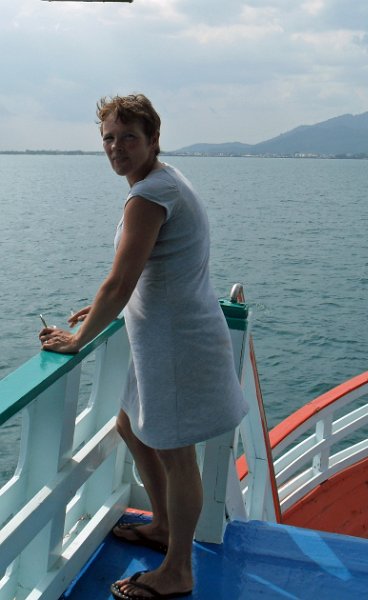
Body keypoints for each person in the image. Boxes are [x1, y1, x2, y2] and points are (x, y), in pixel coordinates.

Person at [39, 93, 248, 599]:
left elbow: (121, 280)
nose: (117, 147)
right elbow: (148, 273)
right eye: (109, 138)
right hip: (162, 336)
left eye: (129, 137)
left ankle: (178, 570)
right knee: (131, 427)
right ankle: (163, 526)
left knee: (177, 456)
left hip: (177, 344)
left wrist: (79, 340)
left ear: (153, 139)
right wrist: (104, 309)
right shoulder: (163, 181)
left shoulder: (150, 196)